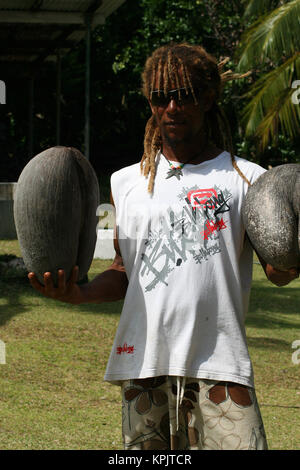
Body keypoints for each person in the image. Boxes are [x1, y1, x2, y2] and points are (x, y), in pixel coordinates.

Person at [28, 43, 298, 450]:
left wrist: (294, 258)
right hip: (144, 362)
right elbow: (124, 271)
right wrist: (76, 293)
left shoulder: (247, 178)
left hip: (221, 363)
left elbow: (277, 271)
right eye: (160, 97)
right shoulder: (127, 182)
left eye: (184, 95)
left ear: (209, 97)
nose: (171, 107)